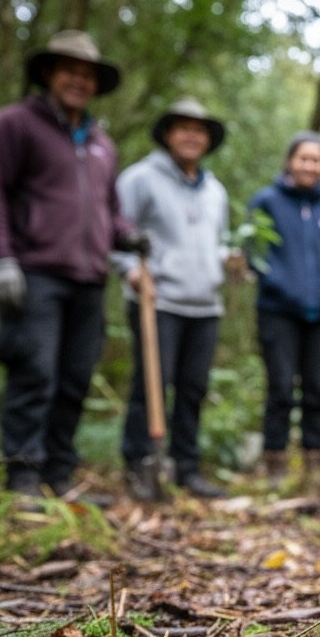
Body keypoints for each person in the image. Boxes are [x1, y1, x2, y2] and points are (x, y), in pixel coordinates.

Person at [0, 30, 147, 499]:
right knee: (35, 374)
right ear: (49, 73)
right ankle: (23, 476)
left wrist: (128, 235)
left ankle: (59, 477)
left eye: (87, 75)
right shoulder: (15, 125)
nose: (79, 81)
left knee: (75, 380)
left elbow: (110, 209)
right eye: (70, 70)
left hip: (89, 278)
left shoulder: (102, 142)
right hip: (34, 274)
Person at [113, 97, 231, 501]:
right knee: (151, 386)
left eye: (199, 130)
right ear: (167, 133)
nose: (191, 136)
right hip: (157, 301)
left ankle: (186, 468)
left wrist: (225, 262)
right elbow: (115, 231)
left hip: (205, 304)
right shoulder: (140, 178)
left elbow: (215, 242)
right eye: (183, 128)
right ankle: (140, 466)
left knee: (193, 389)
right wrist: (128, 268)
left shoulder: (215, 190)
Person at [248, 131, 320, 485]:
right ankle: (274, 463)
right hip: (278, 311)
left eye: (317, 160)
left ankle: (314, 464)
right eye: (304, 158)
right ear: (290, 161)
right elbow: (252, 251)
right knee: (280, 388)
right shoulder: (267, 202)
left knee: (317, 389)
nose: (310, 165)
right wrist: (275, 280)